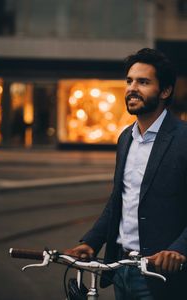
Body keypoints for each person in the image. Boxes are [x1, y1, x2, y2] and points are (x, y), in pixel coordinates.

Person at [65, 48, 187, 300]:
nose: (132, 88)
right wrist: (91, 242)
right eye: (129, 81)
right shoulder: (125, 138)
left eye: (143, 82)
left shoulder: (183, 138)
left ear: (165, 91)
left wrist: (177, 250)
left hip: (161, 275)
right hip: (121, 268)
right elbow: (119, 200)